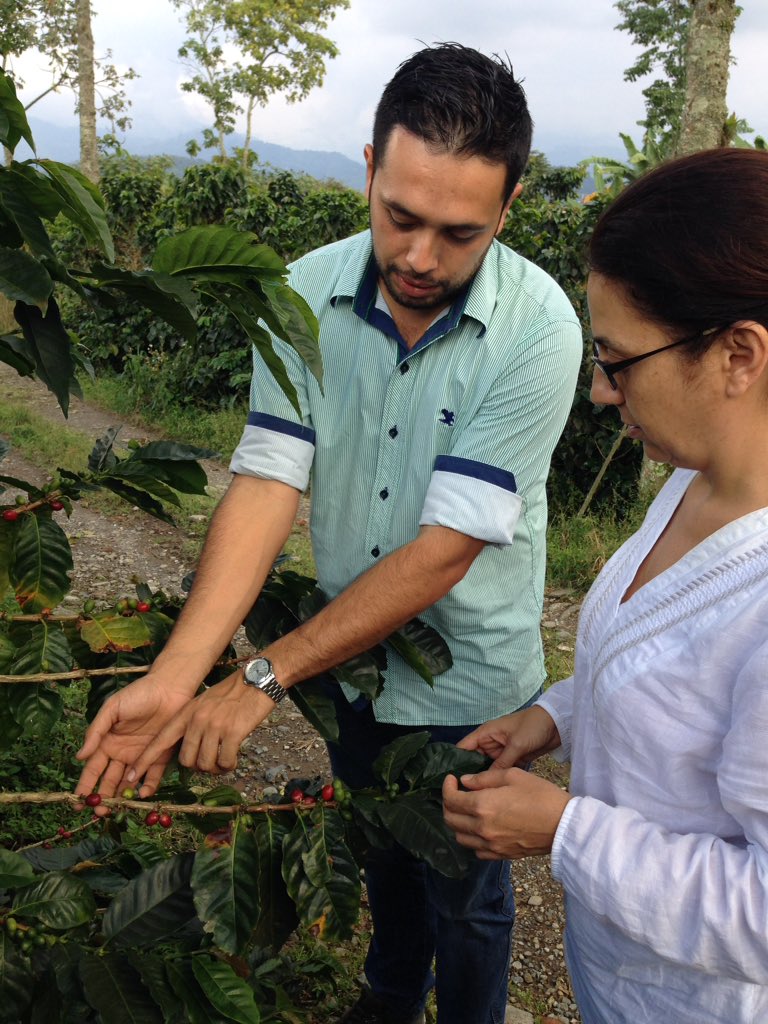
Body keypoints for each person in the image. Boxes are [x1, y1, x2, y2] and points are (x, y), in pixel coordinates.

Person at [76, 43, 582, 1024]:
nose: (420, 258)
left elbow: (446, 549)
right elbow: (269, 479)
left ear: (509, 210)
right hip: (353, 667)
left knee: (467, 891)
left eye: (459, 232)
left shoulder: (542, 331)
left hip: (471, 675)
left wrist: (263, 674)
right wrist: (182, 672)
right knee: (378, 846)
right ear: (367, 168)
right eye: (400, 216)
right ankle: (387, 999)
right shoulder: (305, 289)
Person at [443, 146, 768, 1024]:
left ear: (737, 354)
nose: (598, 391)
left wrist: (564, 832)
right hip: (623, 976)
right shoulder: (692, 484)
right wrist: (554, 715)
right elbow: (662, 670)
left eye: (618, 361)